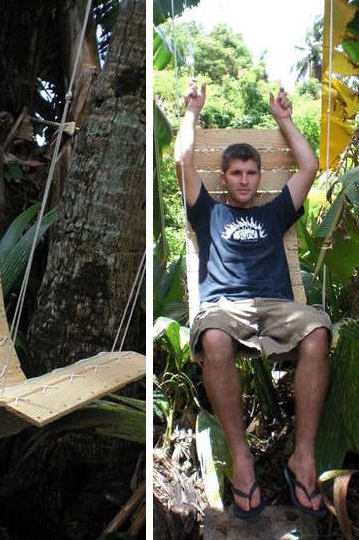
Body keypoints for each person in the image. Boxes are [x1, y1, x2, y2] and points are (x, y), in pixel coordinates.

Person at [175, 80, 332, 519]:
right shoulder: (207, 211)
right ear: (223, 178)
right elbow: (182, 159)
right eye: (236, 173)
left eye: (251, 173)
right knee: (216, 341)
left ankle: (303, 458)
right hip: (225, 309)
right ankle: (243, 461)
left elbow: (308, 166)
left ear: (258, 177)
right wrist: (191, 111)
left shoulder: (274, 211)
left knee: (318, 330)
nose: (244, 180)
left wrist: (284, 118)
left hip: (277, 307)